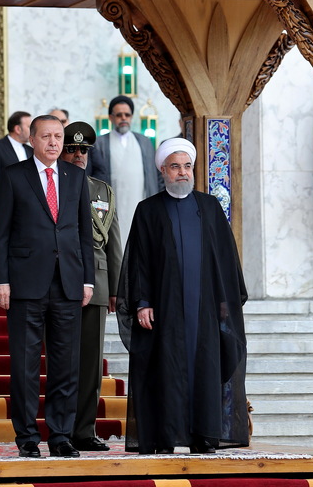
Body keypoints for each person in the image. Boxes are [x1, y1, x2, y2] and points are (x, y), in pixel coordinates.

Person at [116, 138, 249, 455]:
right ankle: (165, 436)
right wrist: (143, 301)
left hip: (203, 309)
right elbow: (140, 260)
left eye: (187, 166)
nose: (182, 173)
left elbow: (225, 256)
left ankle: (204, 435)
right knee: (167, 370)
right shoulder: (148, 210)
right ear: (163, 170)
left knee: (204, 368)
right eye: (175, 167)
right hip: (165, 309)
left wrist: (224, 298)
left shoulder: (209, 206)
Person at [0, 114, 95, 459]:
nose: (53, 142)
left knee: (65, 365)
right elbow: (1, 234)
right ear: (32, 140)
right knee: (25, 366)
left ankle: (61, 435)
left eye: (58, 137)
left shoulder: (76, 177)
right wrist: (1, 279)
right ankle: (26, 437)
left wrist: (87, 280)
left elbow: (84, 234)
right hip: (24, 284)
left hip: (68, 283)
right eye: (46, 136)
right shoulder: (13, 177)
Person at [60, 121, 122, 452]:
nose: (79, 155)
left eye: (84, 150)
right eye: (72, 149)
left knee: (90, 365)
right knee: (62, 361)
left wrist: (115, 286)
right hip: (58, 283)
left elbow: (113, 242)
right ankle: (61, 429)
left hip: (96, 283)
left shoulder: (102, 191)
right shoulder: (50, 185)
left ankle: (84, 430)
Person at [91, 95, 162, 246]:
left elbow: (155, 175)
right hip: (111, 208)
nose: (123, 118)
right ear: (111, 117)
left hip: (140, 203)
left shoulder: (144, 141)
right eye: (119, 115)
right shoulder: (100, 143)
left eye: (127, 115)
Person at [0, 111, 33, 225]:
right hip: (6, 208)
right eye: (29, 126)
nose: (33, 130)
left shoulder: (30, 150)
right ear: (17, 129)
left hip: (28, 211)